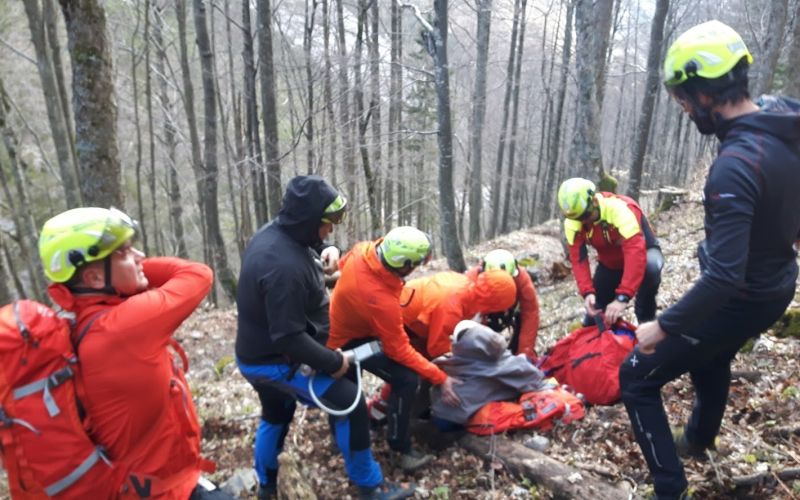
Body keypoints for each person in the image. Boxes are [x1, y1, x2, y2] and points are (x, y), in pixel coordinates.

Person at [619, 20, 800, 500]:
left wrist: (663, 326)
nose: (682, 108)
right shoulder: (783, 119)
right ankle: (699, 439)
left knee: (635, 377)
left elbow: (722, 278)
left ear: (705, 92)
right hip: (777, 281)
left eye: (683, 97)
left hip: (744, 294)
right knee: (712, 355)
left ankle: (669, 489)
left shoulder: (735, 166)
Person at [235, 176, 413, 500]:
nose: (331, 230)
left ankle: (267, 485)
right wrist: (334, 362)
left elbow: (305, 242)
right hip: (274, 362)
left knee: (276, 412)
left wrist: (327, 249)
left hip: (255, 354)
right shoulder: (283, 270)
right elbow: (288, 338)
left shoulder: (278, 233)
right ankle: (371, 486)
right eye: (326, 225)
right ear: (308, 220)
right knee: (349, 402)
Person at [38, 207, 226, 499]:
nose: (140, 256)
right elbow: (197, 274)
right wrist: (135, 275)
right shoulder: (123, 326)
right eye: (125, 252)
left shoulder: (85, 322)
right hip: (162, 492)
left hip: (143, 486)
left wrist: (124, 270)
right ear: (94, 279)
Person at [327, 226, 461, 471]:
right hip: (345, 340)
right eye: (416, 264)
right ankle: (399, 449)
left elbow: (343, 265)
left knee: (348, 391)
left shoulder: (365, 250)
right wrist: (440, 377)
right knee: (405, 379)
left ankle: (342, 439)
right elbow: (398, 349)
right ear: (404, 264)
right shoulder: (381, 300)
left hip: (354, 328)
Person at [557, 177, 663, 325]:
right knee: (595, 313)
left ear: (594, 201)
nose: (583, 222)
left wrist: (623, 296)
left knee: (651, 269)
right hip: (610, 263)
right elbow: (579, 259)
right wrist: (587, 292)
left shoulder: (621, 210)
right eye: (578, 218)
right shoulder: (573, 223)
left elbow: (635, 254)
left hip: (644, 253)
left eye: (586, 216)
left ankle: (647, 323)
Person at [401, 268, 517, 360]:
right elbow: (438, 349)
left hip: (422, 327)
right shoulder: (451, 305)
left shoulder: (471, 293)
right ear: (492, 303)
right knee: (412, 374)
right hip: (401, 323)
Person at [464, 249, 541, 360]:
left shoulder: (521, 278)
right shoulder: (472, 280)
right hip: (483, 315)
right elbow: (468, 317)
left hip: (509, 312)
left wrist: (525, 352)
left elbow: (531, 313)